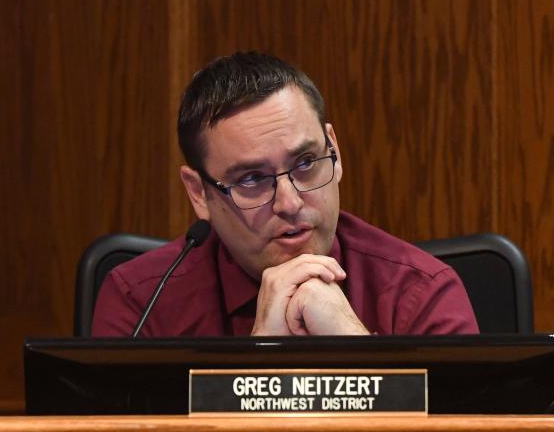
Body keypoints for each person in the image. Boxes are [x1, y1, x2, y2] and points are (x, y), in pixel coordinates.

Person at [91, 51, 478, 336]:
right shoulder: (142, 304)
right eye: (251, 179)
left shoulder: (420, 291)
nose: (290, 203)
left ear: (335, 152)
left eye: (306, 162)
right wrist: (259, 363)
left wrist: (353, 349)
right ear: (199, 194)